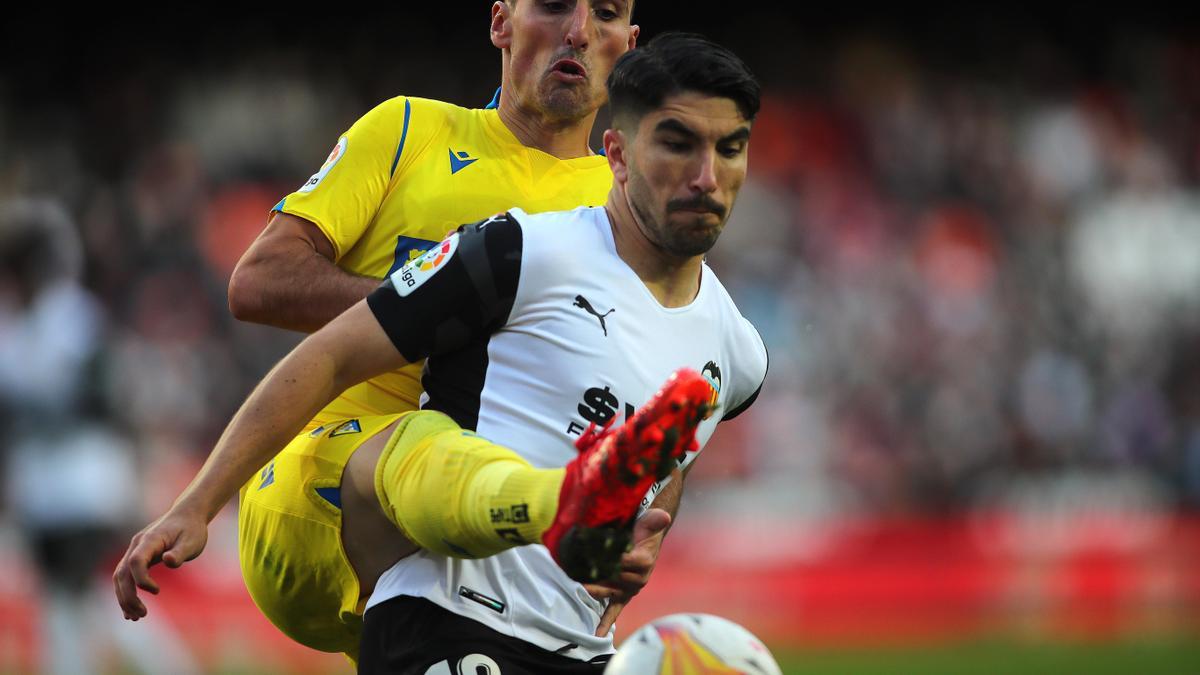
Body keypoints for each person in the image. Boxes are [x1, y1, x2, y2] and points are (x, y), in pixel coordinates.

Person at [114, 29, 764, 672]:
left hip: (470, 546)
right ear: (502, 21)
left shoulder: (630, 211)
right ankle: (556, 502)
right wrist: (440, 307)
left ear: (628, 39)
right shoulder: (414, 133)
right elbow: (259, 280)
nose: (579, 29)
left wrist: (623, 557)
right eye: (556, 4)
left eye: (605, 11)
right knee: (426, 439)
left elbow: (668, 415)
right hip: (329, 485)